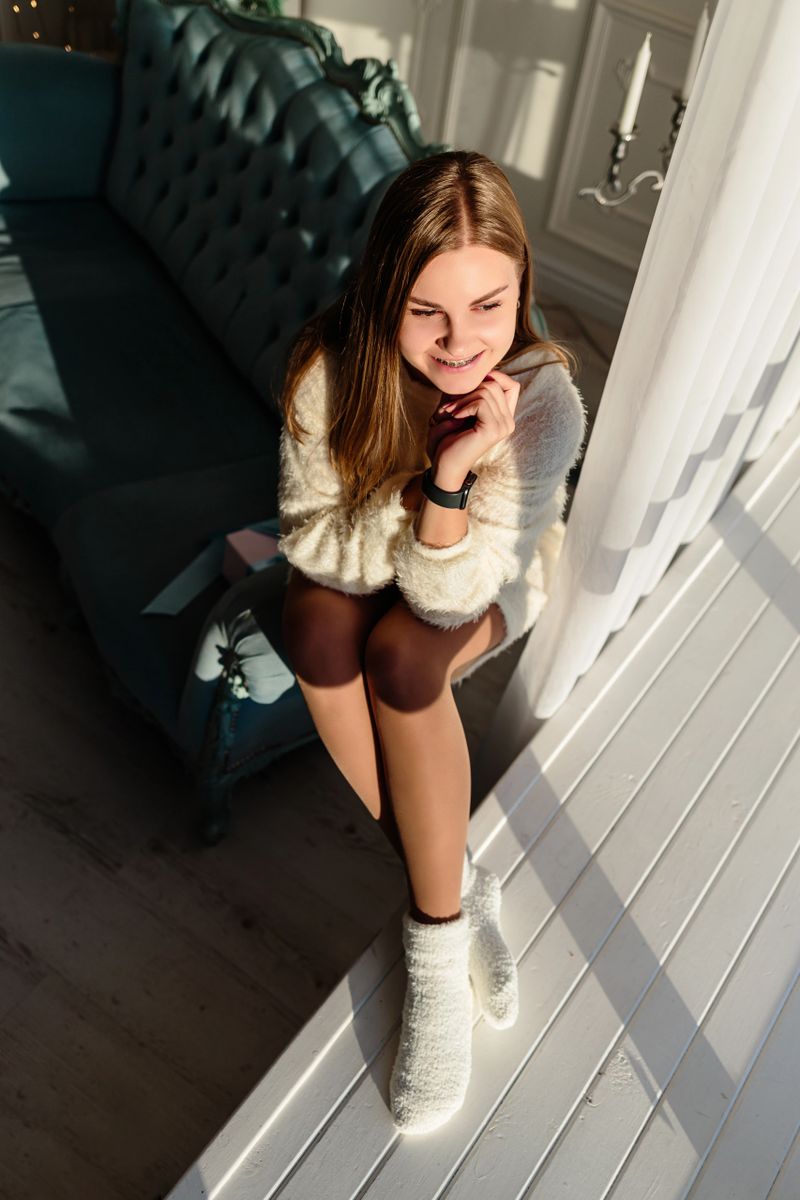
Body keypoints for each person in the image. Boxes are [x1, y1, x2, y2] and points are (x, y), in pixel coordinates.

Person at [277, 149, 587, 1135]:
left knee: (403, 657)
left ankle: (434, 945)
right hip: (395, 567)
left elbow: (449, 601)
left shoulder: (543, 403)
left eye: (488, 306)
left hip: (496, 583)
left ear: (520, 289)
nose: (461, 344)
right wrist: (423, 496)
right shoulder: (327, 367)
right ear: (384, 296)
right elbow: (311, 539)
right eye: (427, 313)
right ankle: (457, 877)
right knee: (316, 626)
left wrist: (448, 480)